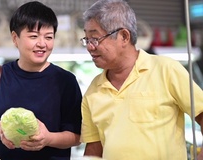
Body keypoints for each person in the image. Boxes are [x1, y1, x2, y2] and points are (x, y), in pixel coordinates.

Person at [79, 0, 203, 160]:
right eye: (87, 39)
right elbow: (94, 150)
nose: (89, 46)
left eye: (95, 38)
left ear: (124, 36)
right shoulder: (93, 90)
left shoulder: (166, 70)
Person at [0, 1, 82, 160]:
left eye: (49, 37)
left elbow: (76, 136)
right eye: (33, 36)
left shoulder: (65, 81)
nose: (42, 44)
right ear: (15, 38)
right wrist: (5, 127)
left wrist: (48, 138)